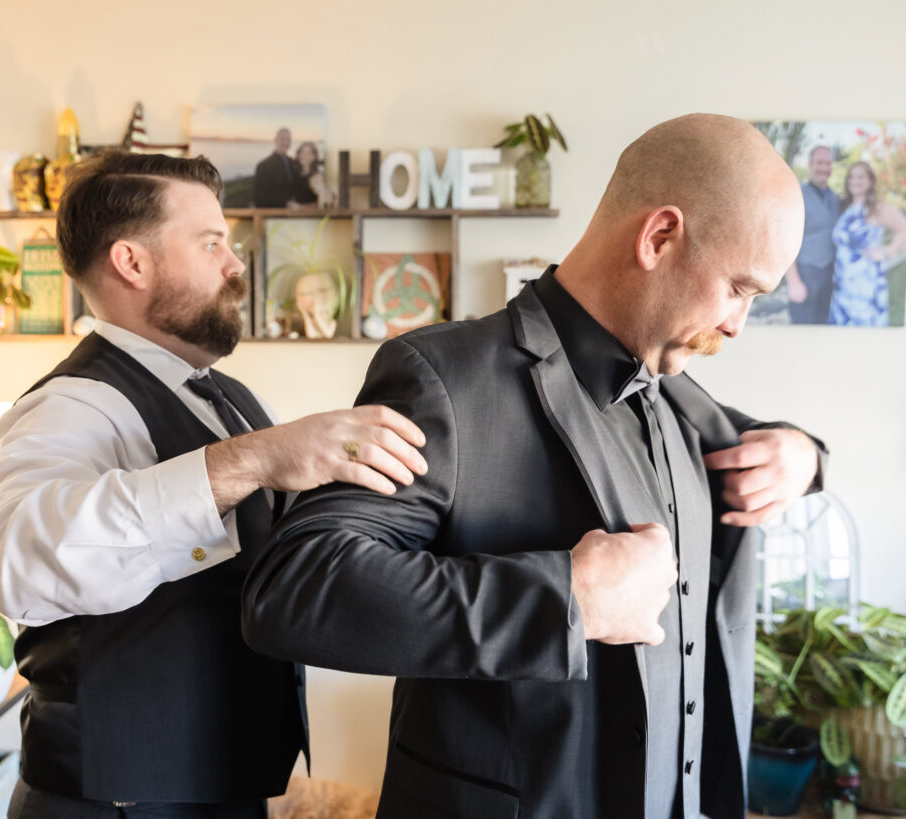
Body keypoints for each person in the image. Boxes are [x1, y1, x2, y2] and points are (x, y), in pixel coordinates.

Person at [242, 114, 828, 819]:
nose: (736, 324)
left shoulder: (677, 389)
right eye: (738, 289)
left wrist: (805, 455)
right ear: (660, 237)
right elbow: (297, 588)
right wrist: (567, 598)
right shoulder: (444, 379)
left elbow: (767, 443)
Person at [0, 150, 428, 819]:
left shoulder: (231, 398)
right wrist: (246, 462)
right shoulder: (72, 405)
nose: (236, 265)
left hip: (220, 786)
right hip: (114, 803)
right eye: (212, 242)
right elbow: (12, 562)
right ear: (132, 261)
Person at [829, 159, 906, 326]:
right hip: (842, 285)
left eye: (860, 177)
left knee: (864, 336)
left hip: (866, 284)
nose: (854, 181)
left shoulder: (878, 208)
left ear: (871, 181)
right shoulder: (846, 207)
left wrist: (887, 251)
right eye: (851, 177)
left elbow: (903, 229)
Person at [785, 145, 840, 324]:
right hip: (805, 274)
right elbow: (786, 241)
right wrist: (794, 282)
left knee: (822, 326)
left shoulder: (835, 198)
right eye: (819, 163)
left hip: (828, 276)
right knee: (802, 328)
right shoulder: (797, 195)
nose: (824, 168)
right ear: (810, 164)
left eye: (828, 163)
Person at [252, 128, 295, 207]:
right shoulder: (263, 166)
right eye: (282, 139)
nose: (285, 142)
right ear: (275, 140)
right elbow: (259, 199)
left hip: (294, 213)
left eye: (288, 139)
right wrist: (285, 204)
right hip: (274, 215)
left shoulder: (293, 162)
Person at [293, 271, 339, 338]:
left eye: (322, 291)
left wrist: (316, 314)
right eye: (304, 294)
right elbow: (311, 336)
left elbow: (328, 335)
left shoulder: (332, 322)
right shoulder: (309, 321)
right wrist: (304, 313)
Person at [289, 142, 333, 208]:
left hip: (310, 216)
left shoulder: (317, 177)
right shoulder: (295, 174)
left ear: (314, 157)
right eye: (302, 152)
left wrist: (300, 207)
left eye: (307, 153)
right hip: (294, 215)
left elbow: (322, 204)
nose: (303, 155)